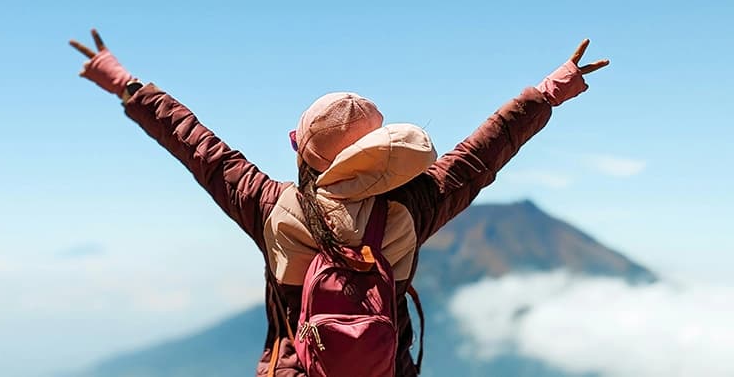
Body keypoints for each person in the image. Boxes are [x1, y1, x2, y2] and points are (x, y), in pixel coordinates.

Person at [69, 29, 609, 376]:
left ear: (299, 149)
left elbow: (195, 144)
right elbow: (482, 153)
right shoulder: (410, 209)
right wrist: (545, 93)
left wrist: (126, 85)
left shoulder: (271, 207)